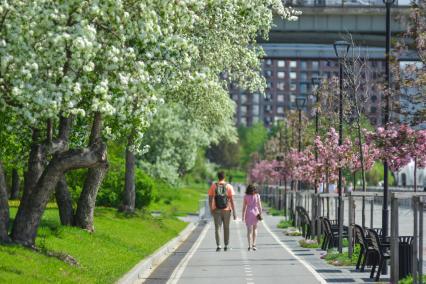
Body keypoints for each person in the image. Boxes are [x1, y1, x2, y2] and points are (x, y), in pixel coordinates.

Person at [208, 171, 236, 252]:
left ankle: (219, 245)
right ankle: (226, 245)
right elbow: (232, 200)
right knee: (226, 228)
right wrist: (234, 212)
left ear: (218, 177)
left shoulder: (213, 186)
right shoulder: (229, 186)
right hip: (227, 210)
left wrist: (211, 209)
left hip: (216, 210)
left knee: (217, 228)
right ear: (224, 177)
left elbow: (210, 198)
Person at [242, 184, 262, 251]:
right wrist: (260, 214)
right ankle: (254, 244)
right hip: (256, 213)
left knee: (249, 231)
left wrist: (242, 216)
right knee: (255, 229)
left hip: (248, 213)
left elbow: (244, 207)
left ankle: (249, 245)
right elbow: (259, 206)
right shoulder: (257, 196)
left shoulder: (246, 196)